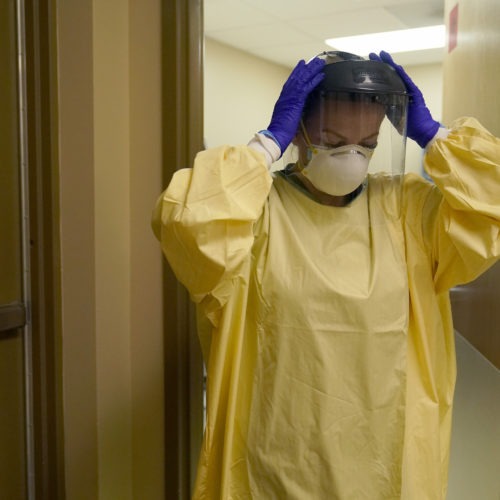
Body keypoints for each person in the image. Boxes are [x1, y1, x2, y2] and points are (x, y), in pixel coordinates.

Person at [152, 50, 500, 499]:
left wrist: (435, 137)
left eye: (368, 144)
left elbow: (491, 206)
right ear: (298, 132)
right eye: (333, 140)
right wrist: (265, 145)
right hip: (277, 460)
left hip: (387, 459)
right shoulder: (255, 212)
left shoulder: (407, 210)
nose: (352, 157)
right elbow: (184, 220)